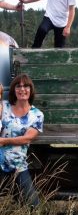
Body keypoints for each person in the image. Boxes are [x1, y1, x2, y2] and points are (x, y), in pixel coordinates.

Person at [0, 74, 44, 207]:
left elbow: (28, 138)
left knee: (33, 206)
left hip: (18, 166)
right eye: (18, 86)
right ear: (14, 90)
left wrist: (3, 141)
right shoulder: (4, 106)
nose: (22, 89)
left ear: (31, 90)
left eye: (26, 86)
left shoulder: (37, 115)